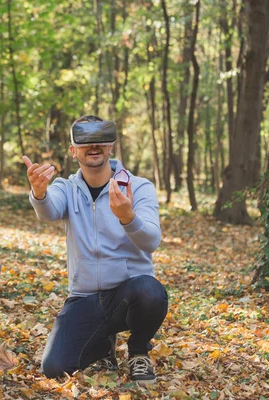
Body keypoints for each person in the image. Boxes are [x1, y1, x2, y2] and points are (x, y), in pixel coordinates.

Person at [23, 115, 168, 383]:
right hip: (84, 297)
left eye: (101, 141)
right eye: (85, 142)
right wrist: (39, 193)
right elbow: (49, 211)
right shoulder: (66, 188)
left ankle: (138, 351)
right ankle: (103, 344)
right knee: (54, 368)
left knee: (151, 291)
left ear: (111, 146)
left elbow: (151, 241)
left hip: (129, 294)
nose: (94, 147)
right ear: (73, 150)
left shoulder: (138, 187)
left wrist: (128, 217)